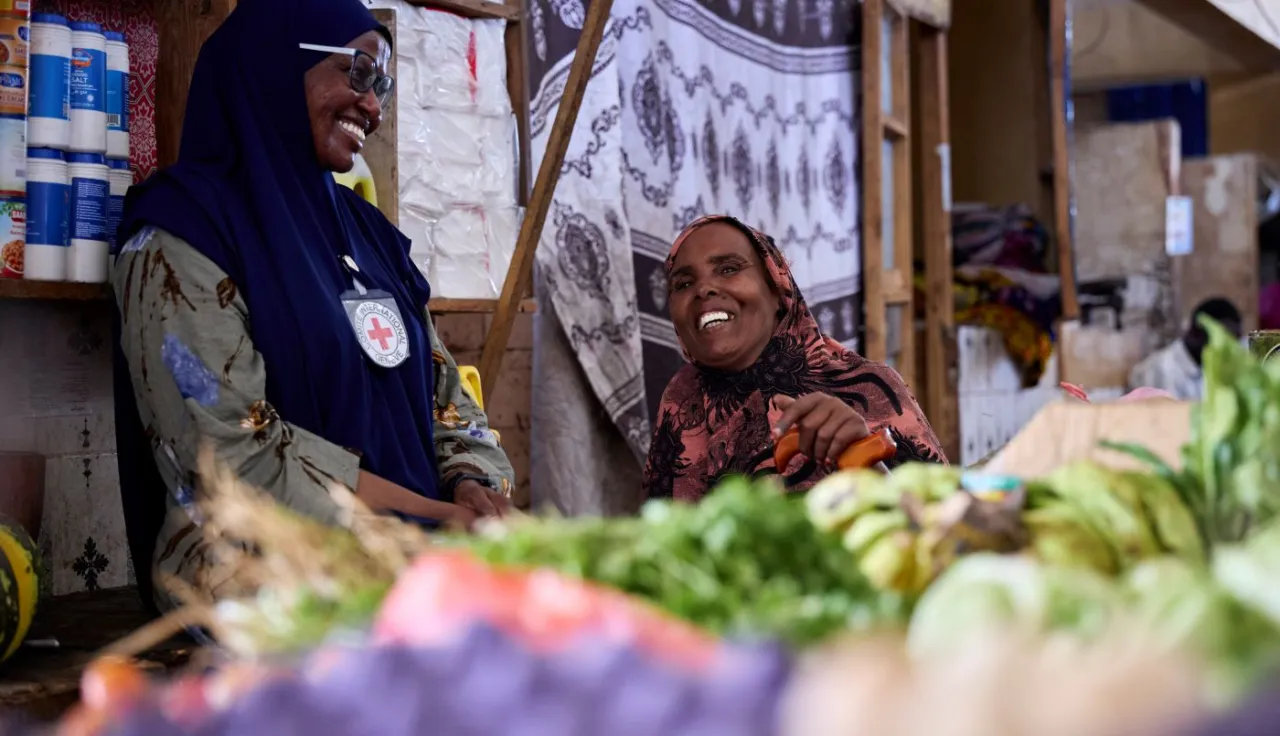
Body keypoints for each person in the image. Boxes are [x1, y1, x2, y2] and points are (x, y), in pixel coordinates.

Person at [110, 0, 513, 611]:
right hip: (264, 601)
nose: (374, 105)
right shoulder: (180, 234)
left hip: (417, 580)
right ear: (274, 65)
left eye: (381, 83)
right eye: (356, 72)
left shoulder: (368, 233)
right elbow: (228, 457)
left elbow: (448, 400)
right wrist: (427, 521)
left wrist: (471, 485)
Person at [642, 215, 944, 502]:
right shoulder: (681, 400)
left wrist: (866, 461)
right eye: (683, 284)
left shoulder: (869, 387)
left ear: (776, 288)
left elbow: (945, 525)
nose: (703, 289)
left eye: (729, 268)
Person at [1126, 298, 1243, 402]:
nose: (1231, 351)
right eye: (1225, 342)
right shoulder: (1158, 371)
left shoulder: (1211, 367)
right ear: (1197, 335)